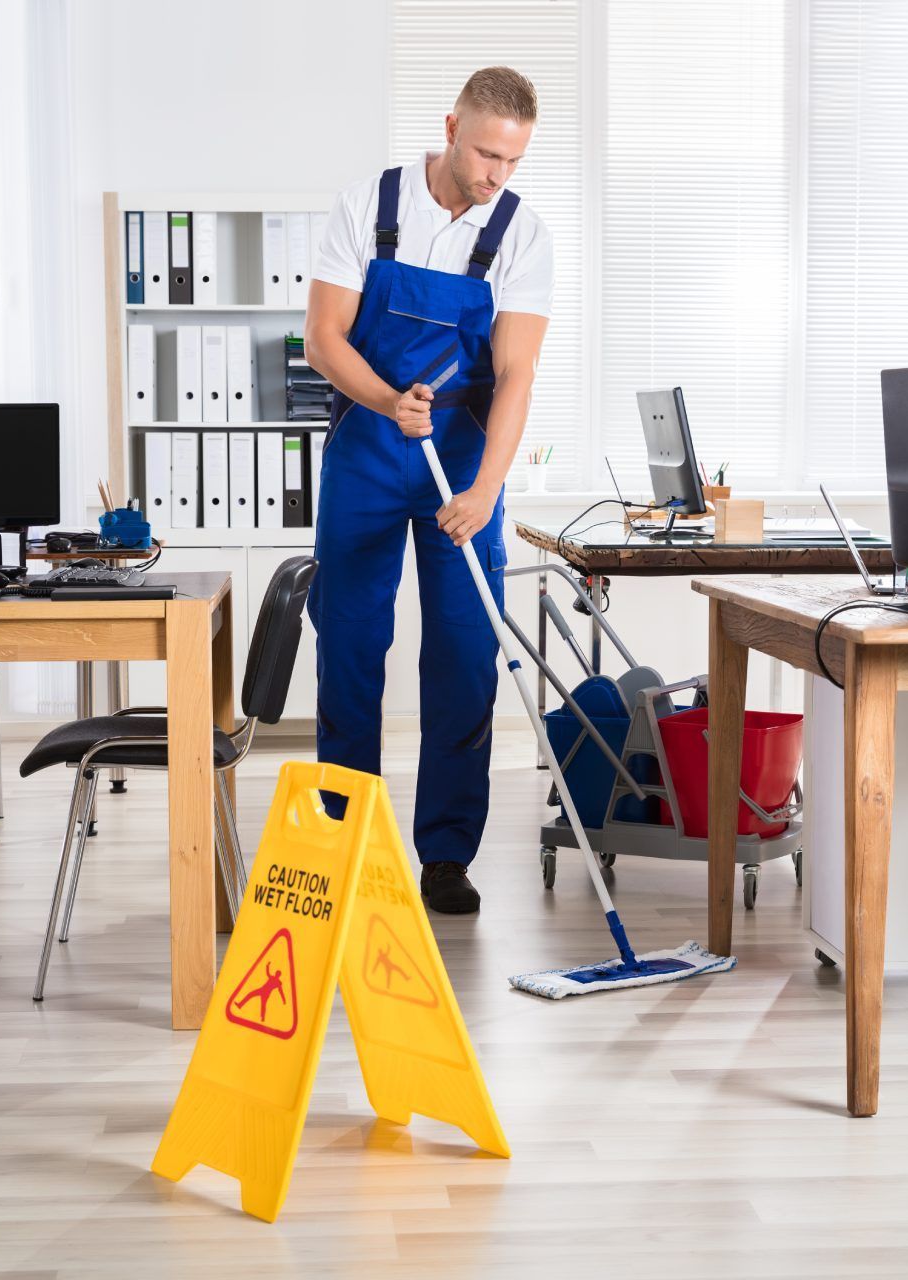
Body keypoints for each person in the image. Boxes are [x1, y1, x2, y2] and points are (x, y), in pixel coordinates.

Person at [304, 67, 552, 915]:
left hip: (463, 457)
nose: (494, 177)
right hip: (368, 447)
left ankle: (445, 855)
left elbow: (517, 375)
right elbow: (324, 340)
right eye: (485, 153)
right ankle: (345, 845)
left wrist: (487, 490)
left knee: (460, 654)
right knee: (348, 646)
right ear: (452, 127)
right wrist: (384, 399)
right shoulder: (369, 205)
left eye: (511, 162)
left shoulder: (520, 232)